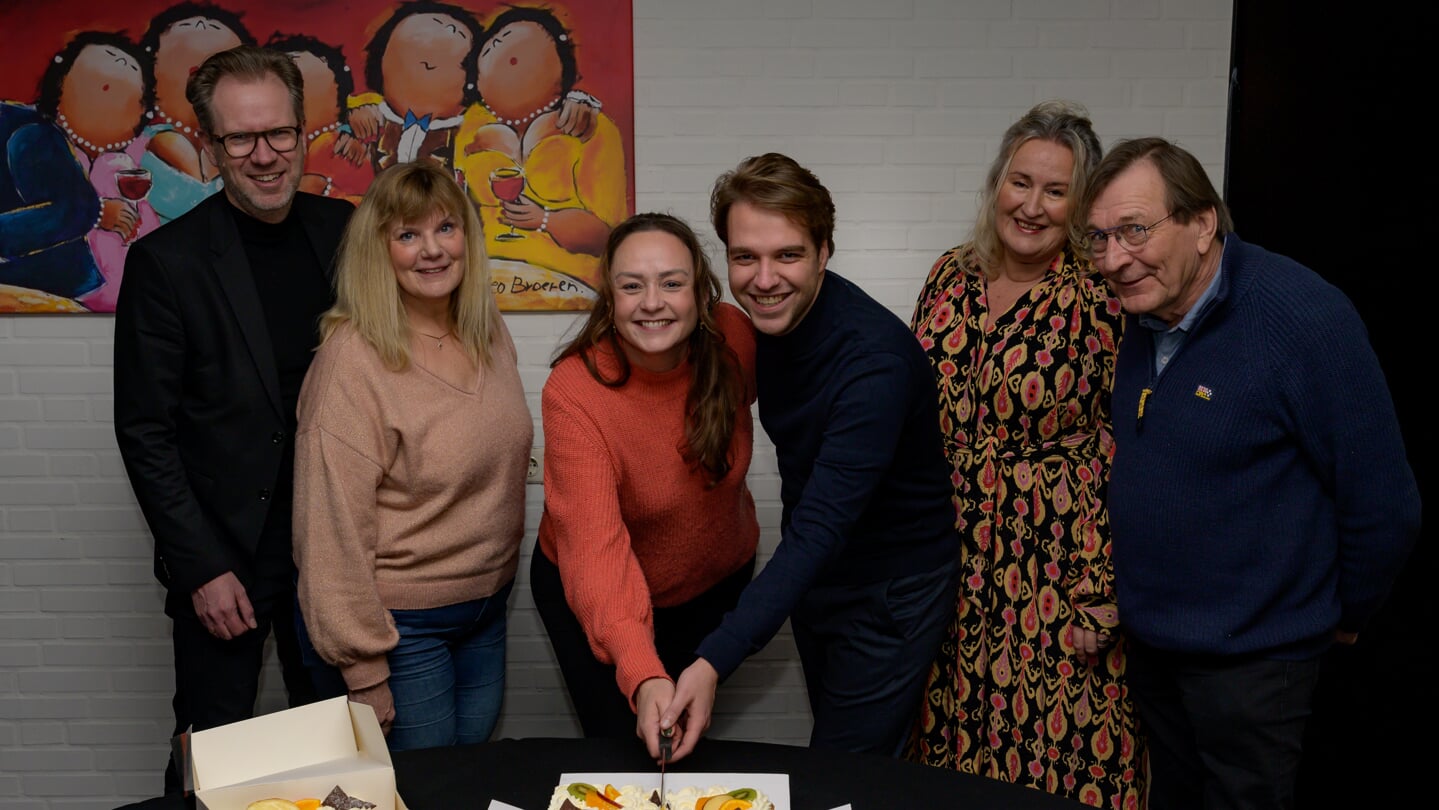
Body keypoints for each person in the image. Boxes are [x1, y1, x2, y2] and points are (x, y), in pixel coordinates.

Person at [1077, 137, 1421, 810]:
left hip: (1254, 665)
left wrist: (1342, 612)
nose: (1113, 259)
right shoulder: (1142, 315)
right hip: (1154, 647)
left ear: (1202, 223)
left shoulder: (1301, 320)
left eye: (1134, 231)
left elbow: (1383, 505)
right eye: (1099, 238)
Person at [658, 153, 959, 762]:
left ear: (825, 251)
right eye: (745, 257)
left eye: (788, 255)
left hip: (891, 590)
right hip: (821, 581)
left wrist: (715, 656)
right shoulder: (761, 328)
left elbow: (822, 523)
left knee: (846, 771)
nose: (764, 279)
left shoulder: (874, 363)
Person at [113, 45, 353, 794]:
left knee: (340, 758)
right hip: (225, 559)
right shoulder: (165, 263)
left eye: (279, 133)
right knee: (212, 755)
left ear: (303, 131)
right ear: (211, 147)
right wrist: (201, 568)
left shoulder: (348, 232)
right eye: (241, 139)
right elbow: (145, 432)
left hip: (334, 548)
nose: (265, 156)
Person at [905, 101, 1144, 807]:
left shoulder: (1101, 294)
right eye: (1019, 182)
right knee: (955, 754)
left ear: (1079, 204)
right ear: (995, 183)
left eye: (1054, 189)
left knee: (1060, 761)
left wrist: (1102, 591)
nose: (1030, 206)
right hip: (952, 571)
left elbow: (1126, 444)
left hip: (1057, 572)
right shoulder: (949, 274)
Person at [291, 160, 532, 751]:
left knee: (465, 775)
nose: (432, 251)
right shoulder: (353, 359)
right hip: (398, 628)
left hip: (484, 611)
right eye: (407, 234)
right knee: (424, 791)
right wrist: (364, 669)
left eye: (445, 229)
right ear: (381, 250)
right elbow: (329, 533)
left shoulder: (488, 332)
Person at [531, 212, 759, 741]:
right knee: (627, 748)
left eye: (672, 283)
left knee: (693, 737)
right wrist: (642, 673)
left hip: (716, 588)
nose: (652, 302)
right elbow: (596, 555)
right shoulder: (574, 393)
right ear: (609, 299)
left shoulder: (735, 338)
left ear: (701, 293)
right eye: (632, 286)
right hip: (604, 597)